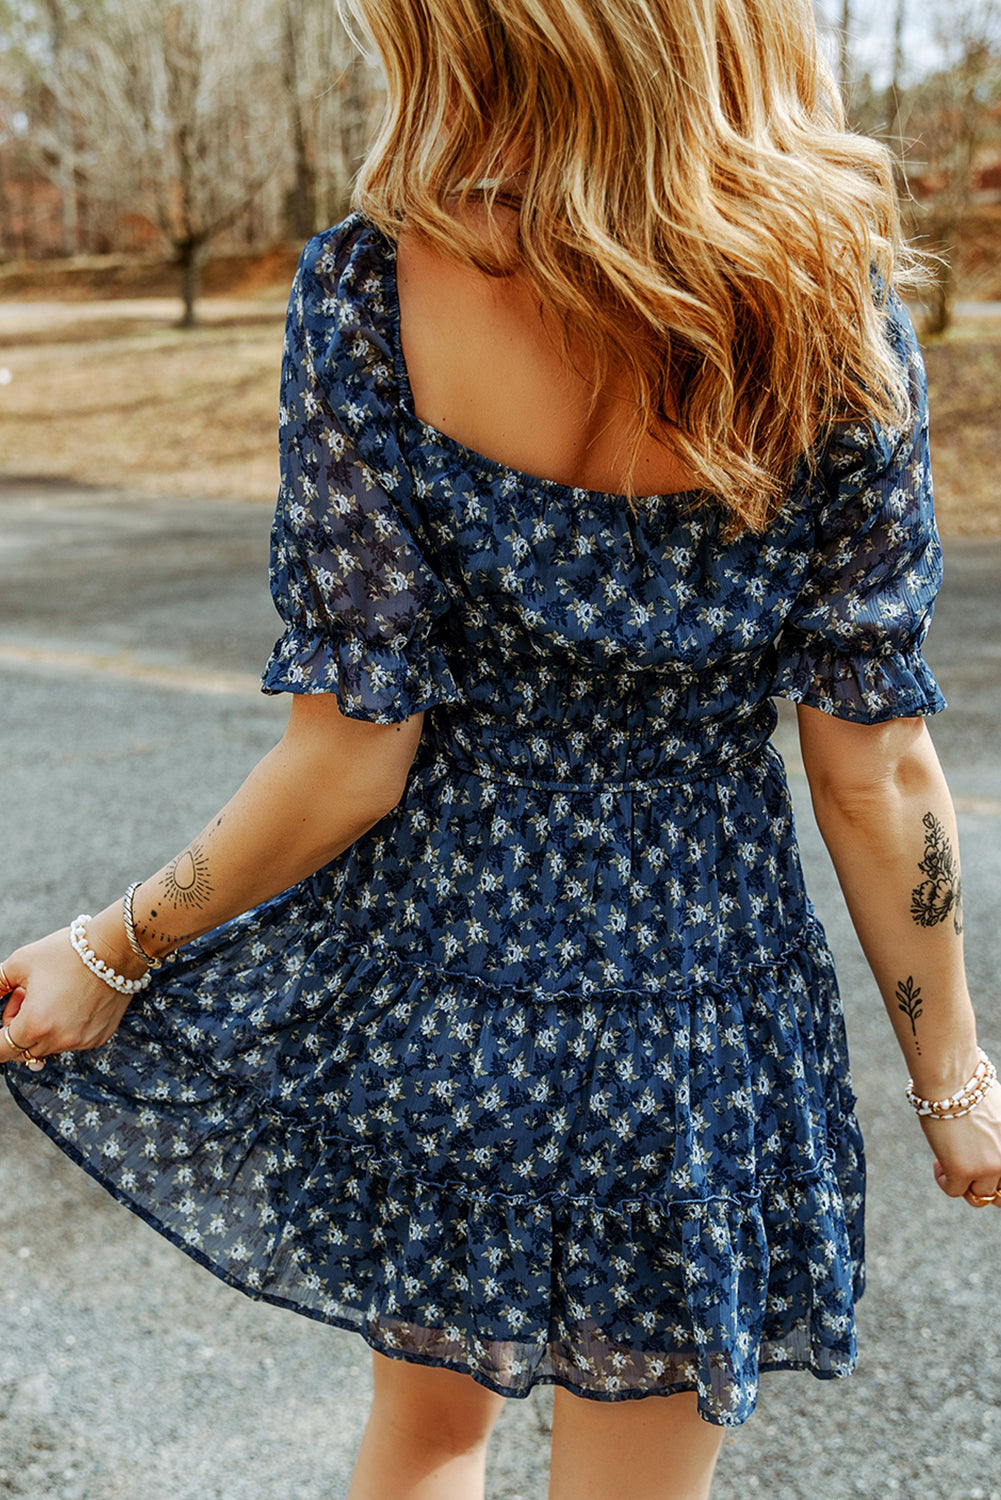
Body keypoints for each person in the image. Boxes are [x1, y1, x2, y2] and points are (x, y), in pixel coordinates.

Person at [2, 0, 999, 1496]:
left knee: (419, 1444)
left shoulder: (368, 288)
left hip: (447, 996)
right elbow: (872, 770)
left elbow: (349, 758)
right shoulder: (827, 310)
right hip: (697, 1025)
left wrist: (117, 947)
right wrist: (951, 1077)